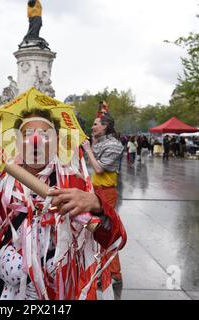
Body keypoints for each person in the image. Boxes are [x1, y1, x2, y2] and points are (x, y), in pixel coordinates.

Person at [0, 108, 127, 300]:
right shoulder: (6, 187)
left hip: (60, 292)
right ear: (18, 143)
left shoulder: (74, 183)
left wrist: (96, 204)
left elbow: (116, 239)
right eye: (28, 134)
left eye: (45, 134)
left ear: (55, 143)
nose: (35, 141)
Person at [82, 113, 124, 288]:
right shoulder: (100, 142)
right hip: (96, 191)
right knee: (95, 232)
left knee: (104, 232)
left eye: (95, 124)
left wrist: (89, 149)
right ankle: (107, 272)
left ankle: (114, 274)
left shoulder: (114, 145)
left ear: (105, 126)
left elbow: (98, 168)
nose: (93, 127)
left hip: (106, 193)